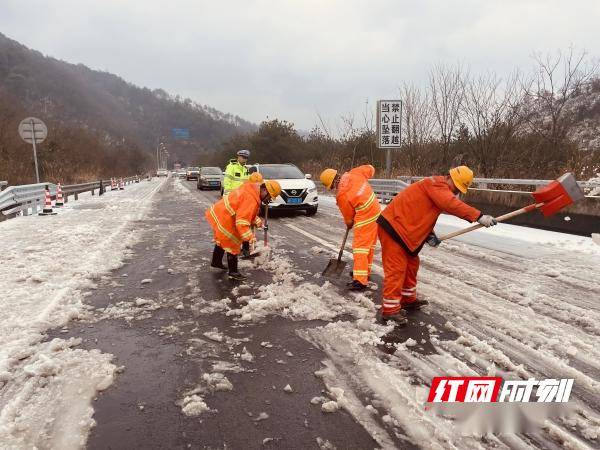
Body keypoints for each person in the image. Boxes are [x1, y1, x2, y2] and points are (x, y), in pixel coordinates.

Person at [375, 166, 498, 325]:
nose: (456, 192)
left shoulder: (437, 188)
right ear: (449, 177)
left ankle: (407, 299)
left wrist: (429, 234)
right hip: (394, 228)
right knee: (396, 269)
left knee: (412, 265)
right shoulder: (436, 185)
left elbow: (422, 213)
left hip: (407, 230)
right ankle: (390, 310)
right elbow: (451, 204)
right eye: (456, 187)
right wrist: (479, 216)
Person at [320, 165, 381, 291]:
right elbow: (370, 169)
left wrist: (349, 223)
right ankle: (364, 272)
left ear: (334, 182)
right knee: (368, 246)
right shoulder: (355, 173)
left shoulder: (342, 194)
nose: (334, 189)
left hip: (365, 215)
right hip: (377, 211)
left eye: (332, 187)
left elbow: (349, 219)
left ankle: (360, 280)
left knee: (359, 248)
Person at [206, 180, 281, 280]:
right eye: (269, 196)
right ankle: (233, 272)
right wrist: (250, 237)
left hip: (222, 213)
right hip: (226, 217)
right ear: (264, 190)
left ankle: (216, 262)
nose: (268, 200)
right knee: (233, 243)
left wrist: (258, 222)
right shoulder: (251, 199)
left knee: (222, 239)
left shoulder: (252, 190)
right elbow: (242, 222)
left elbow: (247, 213)